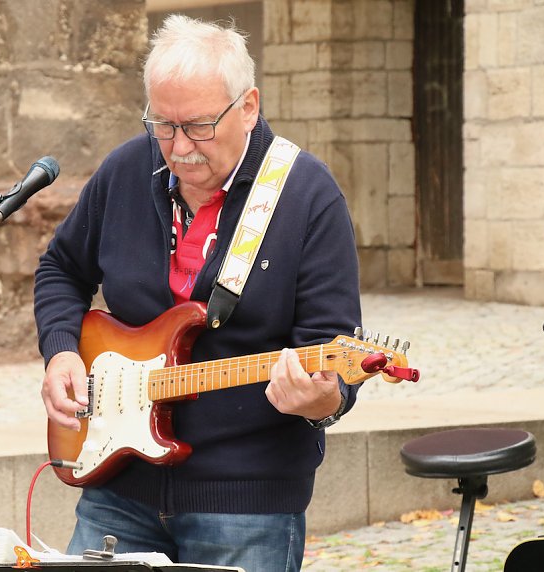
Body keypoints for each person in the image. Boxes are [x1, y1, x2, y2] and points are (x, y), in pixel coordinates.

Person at [33, 14, 361, 572]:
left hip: (246, 503)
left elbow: (332, 354)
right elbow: (61, 267)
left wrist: (323, 400)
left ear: (249, 106)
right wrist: (62, 348)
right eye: (163, 124)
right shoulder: (125, 171)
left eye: (200, 126)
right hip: (116, 486)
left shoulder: (308, 194)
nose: (179, 147)